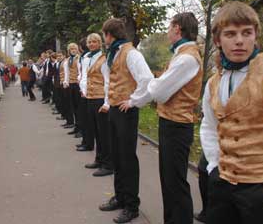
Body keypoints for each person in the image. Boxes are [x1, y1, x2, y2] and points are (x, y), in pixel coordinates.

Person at [200, 1, 263, 224]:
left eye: (246, 33)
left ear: (255, 36)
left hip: (261, 190)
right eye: (230, 34)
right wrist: (214, 166)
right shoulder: (214, 82)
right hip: (222, 186)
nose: (239, 41)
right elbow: (209, 126)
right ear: (218, 40)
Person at [147, 12, 202, 224]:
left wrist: (154, 83)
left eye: (170, 27)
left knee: (175, 183)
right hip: (171, 123)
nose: (168, 32)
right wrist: (157, 84)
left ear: (177, 28)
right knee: (169, 181)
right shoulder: (181, 54)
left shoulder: (187, 57)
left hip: (177, 126)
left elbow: (159, 92)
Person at [98, 18, 153, 224]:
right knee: (117, 156)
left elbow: (147, 80)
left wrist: (133, 101)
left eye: (104, 35)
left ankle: (132, 205)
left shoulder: (131, 53)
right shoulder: (114, 53)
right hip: (114, 108)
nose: (104, 39)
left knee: (127, 159)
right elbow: (110, 81)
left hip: (125, 112)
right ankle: (120, 197)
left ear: (110, 35)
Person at [82, 33, 113, 177]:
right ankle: (99, 159)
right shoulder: (87, 58)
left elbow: (108, 81)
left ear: (100, 43)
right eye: (89, 42)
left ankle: (108, 164)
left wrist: (107, 103)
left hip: (101, 99)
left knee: (104, 133)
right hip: (90, 98)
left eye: (95, 41)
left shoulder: (104, 59)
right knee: (95, 131)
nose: (92, 44)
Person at [62, 43, 80, 132]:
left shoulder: (79, 59)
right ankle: (76, 127)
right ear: (69, 50)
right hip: (71, 85)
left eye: (74, 48)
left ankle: (80, 128)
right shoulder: (67, 60)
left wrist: (79, 80)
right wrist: (66, 82)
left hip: (78, 85)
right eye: (71, 49)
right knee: (73, 107)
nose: (73, 50)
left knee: (78, 108)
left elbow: (81, 72)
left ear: (77, 50)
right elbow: (67, 73)